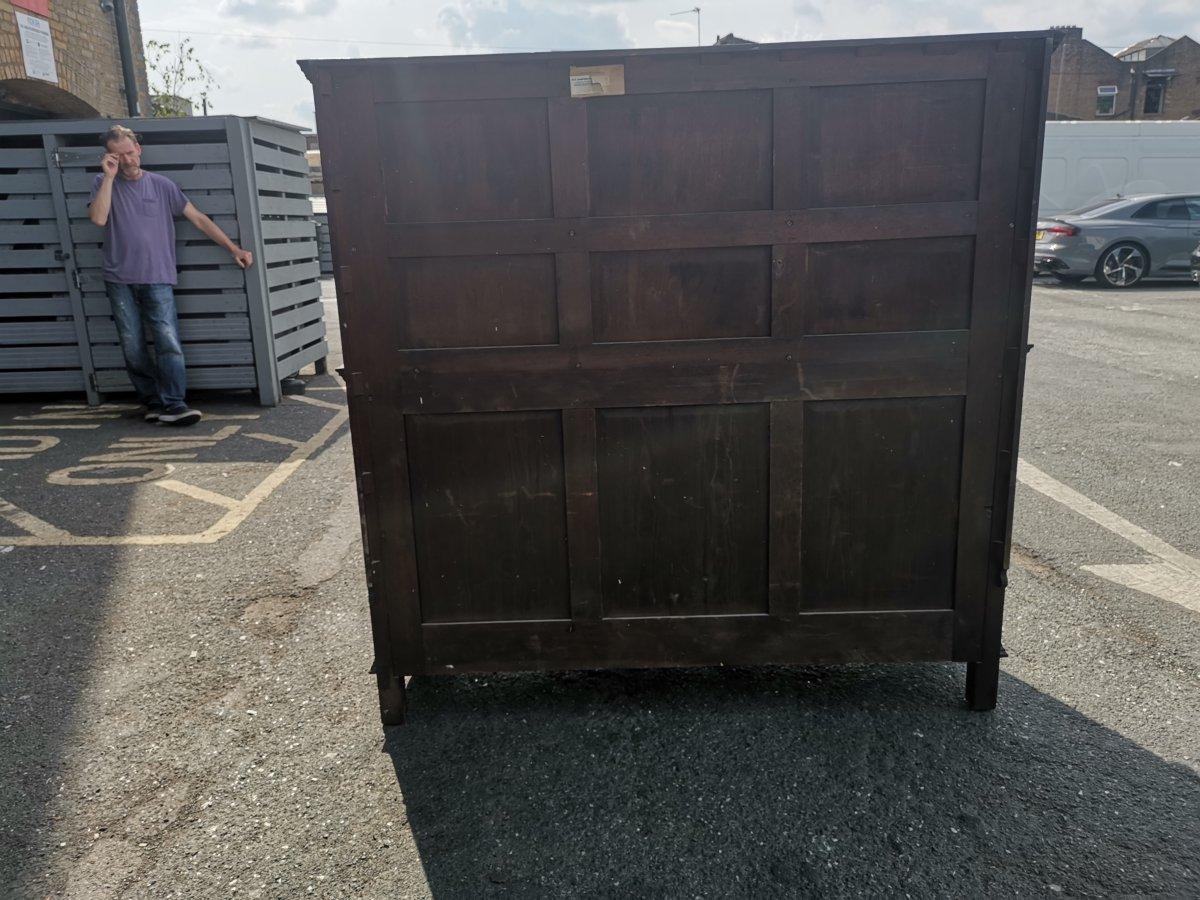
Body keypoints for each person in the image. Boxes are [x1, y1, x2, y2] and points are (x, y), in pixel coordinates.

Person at [87, 124, 254, 426]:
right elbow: (99, 218)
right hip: (118, 279)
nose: (126, 160)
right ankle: (152, 402)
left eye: (129, 152)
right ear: (109, 157)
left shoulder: (163, 185)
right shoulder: (102, 182)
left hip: (158, 276)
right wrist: (109, 178)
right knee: (132, 346)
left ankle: (175, 404)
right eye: (117, 155)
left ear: (138, 149)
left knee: (168, 342)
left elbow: (199, 219)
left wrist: (233, 249)